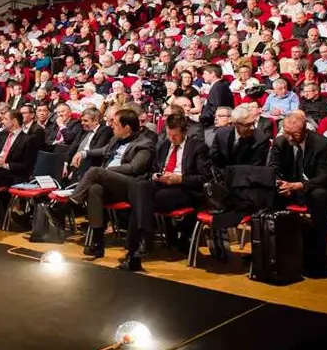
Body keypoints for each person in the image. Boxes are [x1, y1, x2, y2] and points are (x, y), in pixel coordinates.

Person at [54, 108, 156, 258]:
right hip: (110, 182)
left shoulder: (145, 143)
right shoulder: (116, 138)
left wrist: (107, 171)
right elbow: (103, 150)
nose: (110, 126)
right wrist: (83, 153)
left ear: (126, 127)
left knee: (96, 171)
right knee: (95, 189)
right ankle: (98, 243)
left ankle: (68, 207)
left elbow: (135, 168)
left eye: (114, 123)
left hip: (131, 186)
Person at [121, 114, 211, 271]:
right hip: (163, 184)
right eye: (169, 134)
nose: (172, 138)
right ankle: (144, 238)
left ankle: (135, 250)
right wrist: (156, 176)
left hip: (184, 189)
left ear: (184, 131)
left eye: (175, 135)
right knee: (141, 186)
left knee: (142, 202)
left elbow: (204, 178)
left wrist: (179, 179)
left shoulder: (197, 147)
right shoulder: (163, 145)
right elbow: (154, 169)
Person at [267, 111, 327, 278]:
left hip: (315, 186)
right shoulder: (281, 141)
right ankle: (273, 252)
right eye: (285, 132)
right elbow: (273, 167)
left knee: (319, 197)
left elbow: (324, 176)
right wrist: (280, 183)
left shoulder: (322, 144)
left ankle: (316, 258)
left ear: (302, 132)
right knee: (266, 193)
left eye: (292, 135)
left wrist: (299, 185)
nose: (288, 138)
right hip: (289, 185)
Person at [200, 64, 234, 129]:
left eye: (205, 73)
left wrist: (200, 118)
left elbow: (216, 108)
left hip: (215, 126)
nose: (203, 76)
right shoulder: (221, 85)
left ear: (213, 74)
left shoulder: (217, 88)